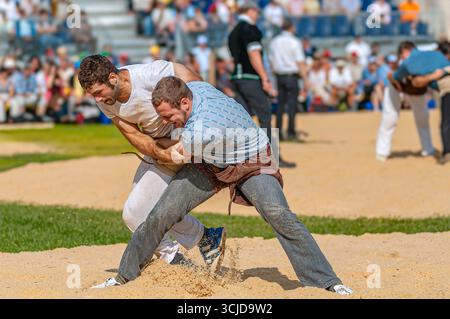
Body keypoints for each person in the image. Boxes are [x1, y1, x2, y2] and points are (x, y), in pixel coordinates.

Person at [94, 76, 354, 296]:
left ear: (184, 102)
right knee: (160, 214)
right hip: (211, 162)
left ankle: (326, 282)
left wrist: (142, 140)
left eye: (169, 116)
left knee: (279, 215)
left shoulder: (202, 128)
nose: (168, 121)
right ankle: (124, 277)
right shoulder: (196, 88)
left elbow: (172, 154)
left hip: (252, 161)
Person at [77, 55, 226, 276]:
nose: (97, 99)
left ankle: (175, 261)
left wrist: (195, 131)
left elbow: (195, 81)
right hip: (160, 147)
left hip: (184, 141)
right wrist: (160, 152)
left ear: (113, 78)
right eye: (92, 95)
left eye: (98, 92)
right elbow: (132, 133)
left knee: (134, 212)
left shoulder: (149, 75)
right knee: (143, 210)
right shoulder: (107, 102)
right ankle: (205, 239)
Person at [228, 0, 296, 168]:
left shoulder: (233, 31)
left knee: (243, 118)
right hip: (250, 78)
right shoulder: (250, 29)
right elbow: (254, 54)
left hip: (237, 77)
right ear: (251, 11)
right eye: (257, 12)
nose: (258, 15)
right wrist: (265, 78)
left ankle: (243, 158)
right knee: (265, 115)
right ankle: (270, 157)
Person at [375, 41, 440, 161]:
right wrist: (396, 81)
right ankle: (382, 152)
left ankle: (428, 149)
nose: (407, 55)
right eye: (405, 52)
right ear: (402, 54)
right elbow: (389, 75)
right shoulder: (399, 62)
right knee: (390, 118)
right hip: (396, 88)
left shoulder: (423, 59)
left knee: (423, 119)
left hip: (416, 91)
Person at [410, 41, 450, 165]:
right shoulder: (431, 65)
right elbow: (417, 82)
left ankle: (447, 152)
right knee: (446, 123)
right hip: (445, 92)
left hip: (447, 91)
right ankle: (447, 152)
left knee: (446, 124)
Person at [269, 18, 307, 141]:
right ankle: (290, 132)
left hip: (280, 76)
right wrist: (305, 79)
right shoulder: (294, 42)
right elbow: (300, 62)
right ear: (291, 28)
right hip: (291, 75)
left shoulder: (274, 42)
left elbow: (271, 60)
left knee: (280, 105)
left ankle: (279, 133)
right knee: (292, 105)